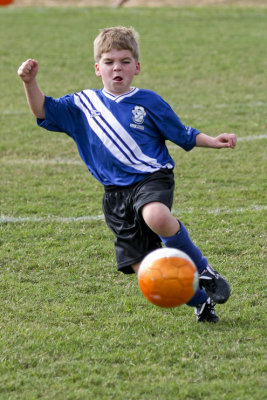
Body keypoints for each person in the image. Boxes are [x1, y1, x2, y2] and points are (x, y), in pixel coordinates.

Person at [17, 26, 237, 323]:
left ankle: (204, 270)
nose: (116, 68)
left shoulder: (149, 101)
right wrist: (30, 82)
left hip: (151, 177)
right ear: (98, 68)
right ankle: (201, 301)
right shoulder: (82, 105)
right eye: (108, 62)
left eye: (123, 61)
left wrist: (213, 140)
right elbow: (43, 110)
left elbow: (182, 133)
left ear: (137, 67)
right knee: (149, 270)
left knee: (157, 216)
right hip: (115, 196)